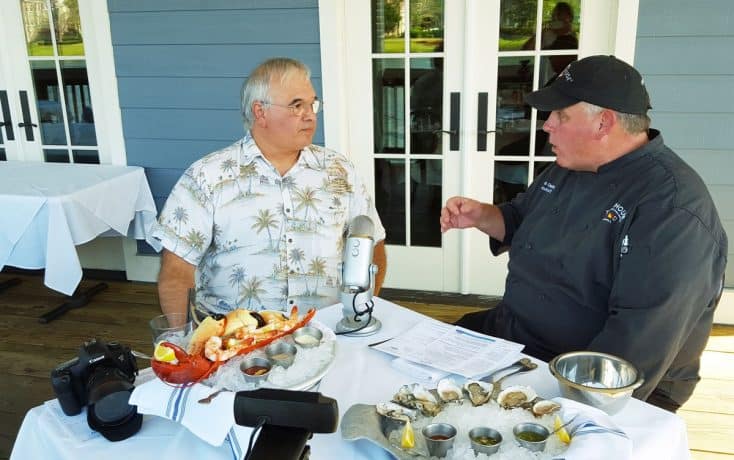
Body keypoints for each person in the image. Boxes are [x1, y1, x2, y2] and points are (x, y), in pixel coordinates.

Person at [440, 55, 727, 412]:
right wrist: (484, 215)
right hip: (515, 336)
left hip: (594, 374)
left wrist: (559, 409)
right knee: (415, 369)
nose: (547, 126)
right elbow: (521, 219)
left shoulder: (671, 208)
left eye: (560, 115)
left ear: (604, 122)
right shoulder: (571, 166)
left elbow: (636, 345)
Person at [152, 57, 387, 319]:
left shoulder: (339, 171)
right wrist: (185, 342)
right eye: (297, 105)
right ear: (260, 112)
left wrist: (358, 313)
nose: (310, 115)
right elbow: (176, 274)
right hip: (234, 339)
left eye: (312, 104)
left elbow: (373, 244)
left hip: (325, 332)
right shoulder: (207, 177)